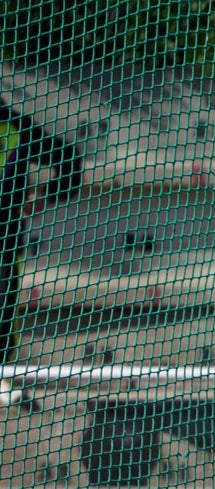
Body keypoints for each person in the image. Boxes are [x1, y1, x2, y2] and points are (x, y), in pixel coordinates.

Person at [0, 99, 83, 408]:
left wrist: (44, 197)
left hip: (5, 241)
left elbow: (68, 159)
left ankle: (2, 374)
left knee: (3, 307)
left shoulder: (16, 129)